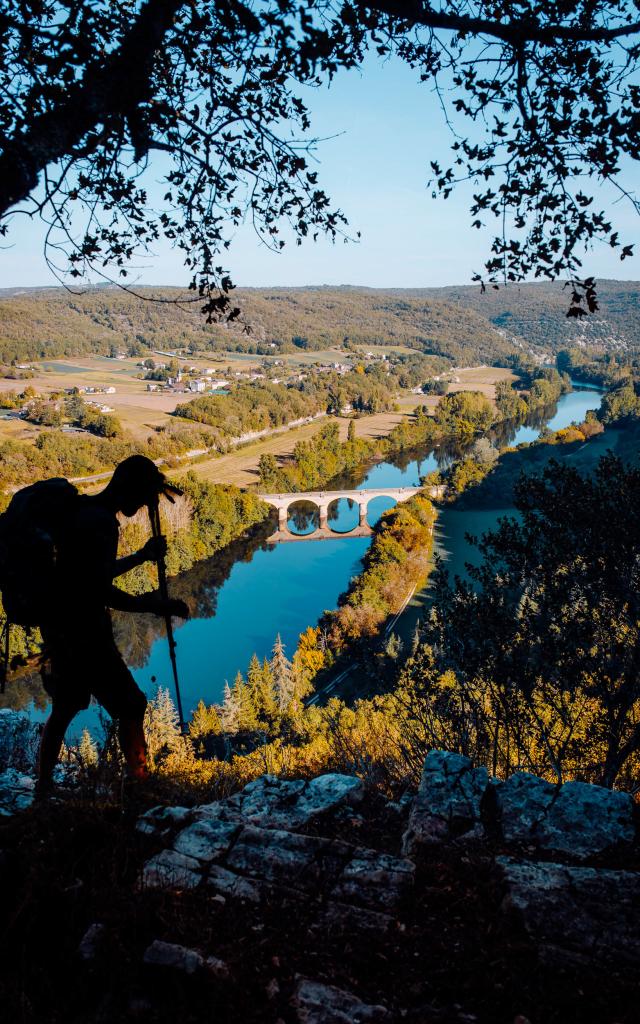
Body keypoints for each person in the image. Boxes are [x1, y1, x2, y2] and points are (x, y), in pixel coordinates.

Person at [36, 455, 189, 794]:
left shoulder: (86, 512)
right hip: (84, 632)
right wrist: (150, 604)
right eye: (145, 495)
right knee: (132, 704)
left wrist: (140, 557)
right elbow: (97, 588)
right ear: (130, 488)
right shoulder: (102, 524)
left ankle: (43, 787)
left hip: (60, 627)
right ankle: (139, 787)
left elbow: (92, 573)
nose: (145, 504)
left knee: (66, 705)